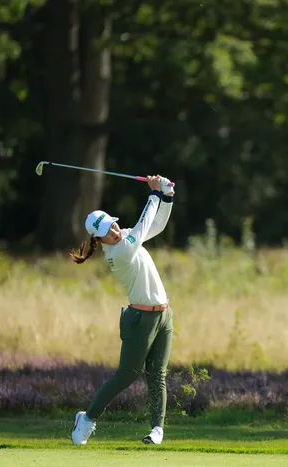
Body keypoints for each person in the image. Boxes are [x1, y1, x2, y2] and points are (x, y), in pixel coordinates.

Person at [69, 175, 175, 446]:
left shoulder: (127, 237)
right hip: (140, 320)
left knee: (158, 375)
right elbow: (143, 225)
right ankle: (87, 419)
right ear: (99, 238)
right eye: (108, 231)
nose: (115, 231)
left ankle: (157, 429)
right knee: (127, 375)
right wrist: (154, 194)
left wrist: (167, 196)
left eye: (113, 225)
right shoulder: (119, 253)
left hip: (163, 315)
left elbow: (155, 226)